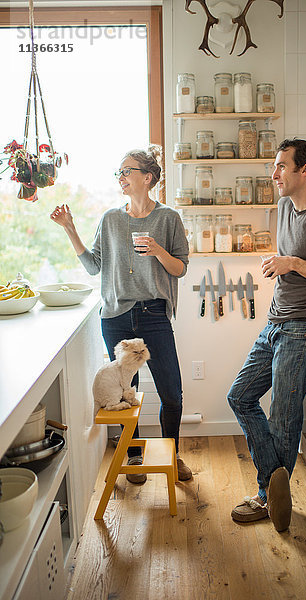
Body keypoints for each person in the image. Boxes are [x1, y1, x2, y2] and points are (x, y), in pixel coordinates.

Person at [228, 139, 306, 531]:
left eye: (282, 166)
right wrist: (282, 265)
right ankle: (273, 482)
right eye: (275, 166)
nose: (274, 173)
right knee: (240, 396)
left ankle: (267, 499)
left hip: (304, 329)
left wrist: (293, 263)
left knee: (282, 419)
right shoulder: (284, 207)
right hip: (275, 323)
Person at [50, 145, 192, 482]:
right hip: (115, 317)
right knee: (125, 392)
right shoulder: (110, 219)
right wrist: (70, 228)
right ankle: (133, 456)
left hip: (154, 314)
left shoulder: (168, 218)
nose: (121, 177)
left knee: (171, 394)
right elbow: (93, 267)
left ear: (148, 177)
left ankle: (172, 454)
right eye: (119, 172)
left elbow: (181, 268)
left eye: (126, 171)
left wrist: (157, 250)